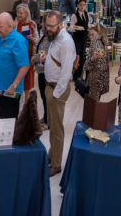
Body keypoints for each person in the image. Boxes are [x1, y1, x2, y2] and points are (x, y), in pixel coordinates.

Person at [40, 11, 77, 175]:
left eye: (51, 26)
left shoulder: (66, 42)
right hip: (51, 87)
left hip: (57, 89)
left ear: (61, 24)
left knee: (56, 129)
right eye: (46, 25)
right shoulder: (56, 38)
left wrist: (56, 94)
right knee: (53, 126)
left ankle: (56, 164)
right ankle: (51, 155)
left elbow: (66, 73)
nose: (48, 29)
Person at [0, 12, 30, 119]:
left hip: (10, 89)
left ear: (10, 25)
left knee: (10, 120)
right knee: (3, 117)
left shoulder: (19, 41)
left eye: (0, 26)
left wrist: (14, 85)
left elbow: (25, 66)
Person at [15, 4, 39, 95]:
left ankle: (26, 105)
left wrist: (32, 38)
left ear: (26, 13)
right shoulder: (16, 24)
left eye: (21, 13)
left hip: (29, 57)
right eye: (18, 13)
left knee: (28, 83)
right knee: (18, 81)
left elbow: (38, 40)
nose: (19, 15)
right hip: (18, 57)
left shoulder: (32, 24)